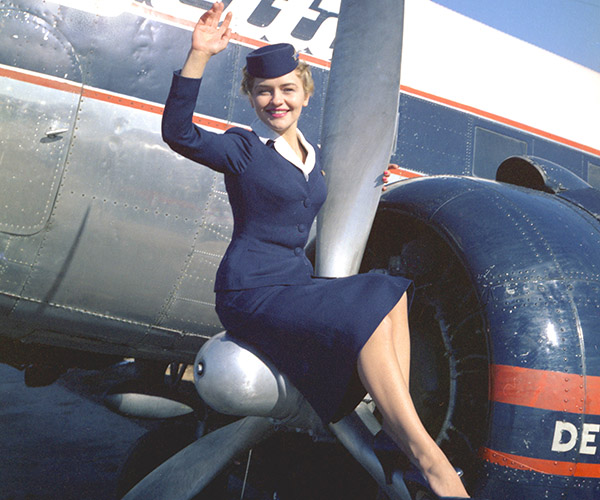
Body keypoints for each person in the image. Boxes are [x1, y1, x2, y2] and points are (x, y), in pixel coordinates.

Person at [161, 3, 469, 498]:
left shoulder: (313, 159)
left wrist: (377, 183)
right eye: (264, 91)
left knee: (392, 292)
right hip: (251, 289)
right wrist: (198, 55)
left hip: (295, 282)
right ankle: (424, 454)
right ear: (251, 96)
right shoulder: (243, 148)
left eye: (287, 89)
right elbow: (178, 133)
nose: (275, 101)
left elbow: (320, 201)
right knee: (365, 307)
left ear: (305, 91)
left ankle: (398, 429)